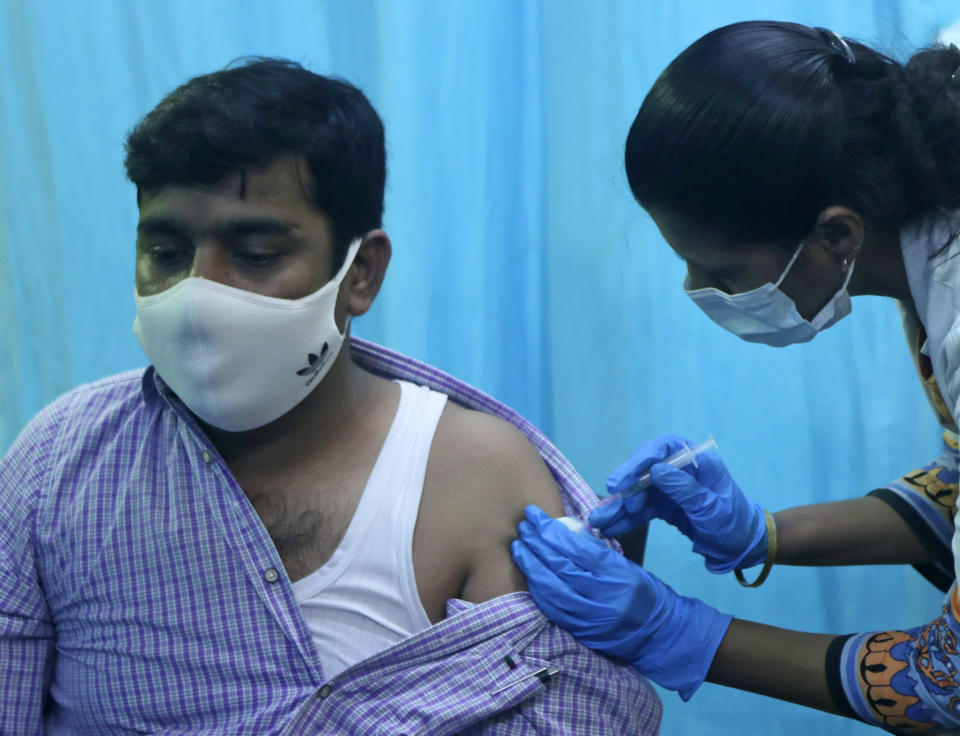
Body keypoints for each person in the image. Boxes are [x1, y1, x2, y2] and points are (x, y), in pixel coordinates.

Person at [0, 58, 663, 734]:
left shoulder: (476, 477)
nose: (197, 297)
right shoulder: (61, 466)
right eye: (166, 252)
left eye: (255, 254)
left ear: (361, 274)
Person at [511, 20, 960, 734]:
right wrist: (760, 536)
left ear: (837, 236)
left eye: (724, 274)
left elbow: (949, 686)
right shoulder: (930, 232)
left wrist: (677, 634)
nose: (699, 291)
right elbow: (958, 487)